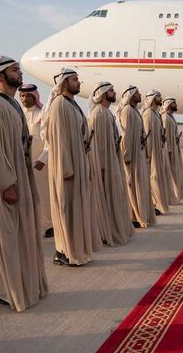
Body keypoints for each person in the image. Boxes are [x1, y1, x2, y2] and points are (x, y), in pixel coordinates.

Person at [0, 56, 48, 310]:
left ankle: (12, 285)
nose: (20, 73)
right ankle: (3, 289)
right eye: (15, 70)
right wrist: (7, 184)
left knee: (18, 235)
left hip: (21, 177)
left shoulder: (11, 105)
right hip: (6, 184)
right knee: (6, 236)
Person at [43, 68, 99, 266]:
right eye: (75, 80)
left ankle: (75, 249)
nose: (79, 83)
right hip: (67, 170)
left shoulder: (72, 104)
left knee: (76, 211)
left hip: (78, 164)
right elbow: (58, 140)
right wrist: (66, 169)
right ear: (64, 83)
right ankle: (63, 251)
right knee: (66, 210)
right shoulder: (59, 105)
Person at [87, 82, 134, 247]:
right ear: (103, 94)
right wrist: (101, 167)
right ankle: (103, 233)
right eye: (111, 91)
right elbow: (97, 146)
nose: (115, 93)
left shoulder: (106, 113)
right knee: (104, 199)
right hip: (104, 166)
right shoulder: (98, 114)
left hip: (112, 164)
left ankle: (112, 229)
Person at [118, 85, 155, 228]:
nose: (140, 95)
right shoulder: (127, 111)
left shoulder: (134, 111)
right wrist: (126, 156)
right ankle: (133, 217)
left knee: (140, 186)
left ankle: (139, 215)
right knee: (133, 187)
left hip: (138, 154)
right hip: (132, 156)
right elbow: (126, 135)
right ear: (131, 95)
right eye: (137, 93)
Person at [19, 83, 53, 237]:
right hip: (22, 161)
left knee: (43, 194)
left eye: (28, 96)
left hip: (40, 163)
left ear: (35, 97)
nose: (25, 99)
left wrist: (43, 158)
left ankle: (47, 226)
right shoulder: (18, 114)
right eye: (22, 96)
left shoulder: (43, 114)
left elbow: (49, 139)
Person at [142, 90, 172, 216]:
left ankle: (155, 204)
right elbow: (147, 134)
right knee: (152, 178)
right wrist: (148, 155)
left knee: (156, 178)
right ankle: (153, 204)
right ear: (153, 99)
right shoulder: (148, 113)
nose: (161, 98)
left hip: (157, 150)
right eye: (158, 96)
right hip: (151, 152)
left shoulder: (155, 113)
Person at [162, 97, 183, 202]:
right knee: (170, 174)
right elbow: (165, 135)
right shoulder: (165, 117)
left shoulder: (171, 116)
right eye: (174, 103)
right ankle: (169, 197)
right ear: (169, 105)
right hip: (169, 151)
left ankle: (175, 195)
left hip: (174, 149)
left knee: (175, 174)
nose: (176, 105)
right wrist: (168, 151)